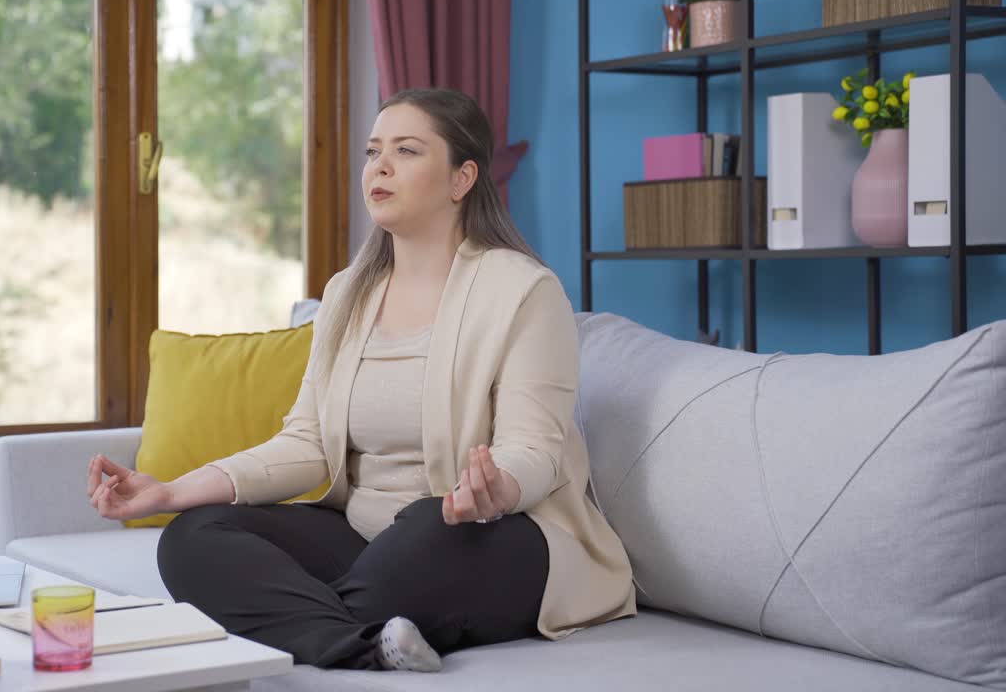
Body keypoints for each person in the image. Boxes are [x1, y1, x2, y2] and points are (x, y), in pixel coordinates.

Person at [84, 87, 636, 672]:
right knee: (192, 537)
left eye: (407, 150)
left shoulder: (524, 291)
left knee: (426, 526)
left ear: (461, 178)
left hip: (484, 534)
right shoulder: (348, 292)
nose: (381, 166)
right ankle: (363, 643)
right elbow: (305, 443)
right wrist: (171, 492)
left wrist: (498, 487)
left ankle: (314, 623)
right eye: (374, 152)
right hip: (364, 538)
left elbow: (536, 450)